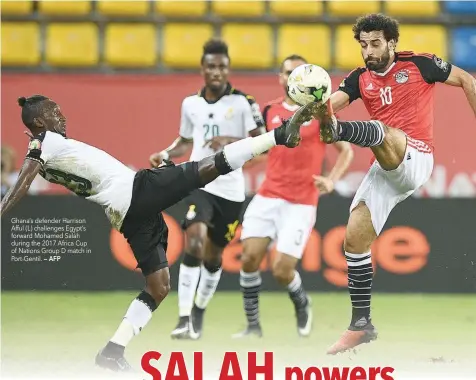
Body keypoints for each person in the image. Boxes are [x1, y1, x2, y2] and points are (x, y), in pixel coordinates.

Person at [0, 94, 315, 372]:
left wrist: (35, 145)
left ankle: (112, 351)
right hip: (135, 191)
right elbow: (24, 179)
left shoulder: (44, 147)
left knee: (159, 286)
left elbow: (35, 165)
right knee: (203, 170)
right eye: (55, 112)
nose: (62, 116)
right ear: (40, 120)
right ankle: (277, 136)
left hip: (124, 212)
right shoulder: (44, 143)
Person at [309, 13, 476, 355]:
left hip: (416, 155)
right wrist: (310, 108)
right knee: (353, 240)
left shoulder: (420, 64)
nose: (368, 51)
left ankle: (346, 134)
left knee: (380, 131)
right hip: (384, 168)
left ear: (391, 43)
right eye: (363, 45)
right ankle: (360, 324)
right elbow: (328, 108)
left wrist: (334, 129)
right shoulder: (359, 79)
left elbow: (466, 80)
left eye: (375, 43)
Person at [149, 38, 265, 340]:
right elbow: (186, 141)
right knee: (195, 241)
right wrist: (167, 153)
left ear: (228, 69)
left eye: (222, 67)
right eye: (211, 66)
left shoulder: (243, 103)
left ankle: (199, 310)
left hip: (231, 191)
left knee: (213, 258)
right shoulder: (190, 104)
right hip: (198, 180)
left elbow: (263, 145)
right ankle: (184, 318)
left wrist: (229, 141)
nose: (216, 72)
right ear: (203, 68)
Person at [234, 55, 354, 338]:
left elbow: (346, 151)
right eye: (288, 73)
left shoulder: (322, 112)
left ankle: (302, 302)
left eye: (297, 73)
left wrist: (331, 180)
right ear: (280, 77)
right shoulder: (270, 110)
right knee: (249, 258)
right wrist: (233, 161)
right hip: (268, 195)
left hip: (301, 202)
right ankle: (253, 326)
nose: (292, 78)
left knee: (281, 270)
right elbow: (262, 151)